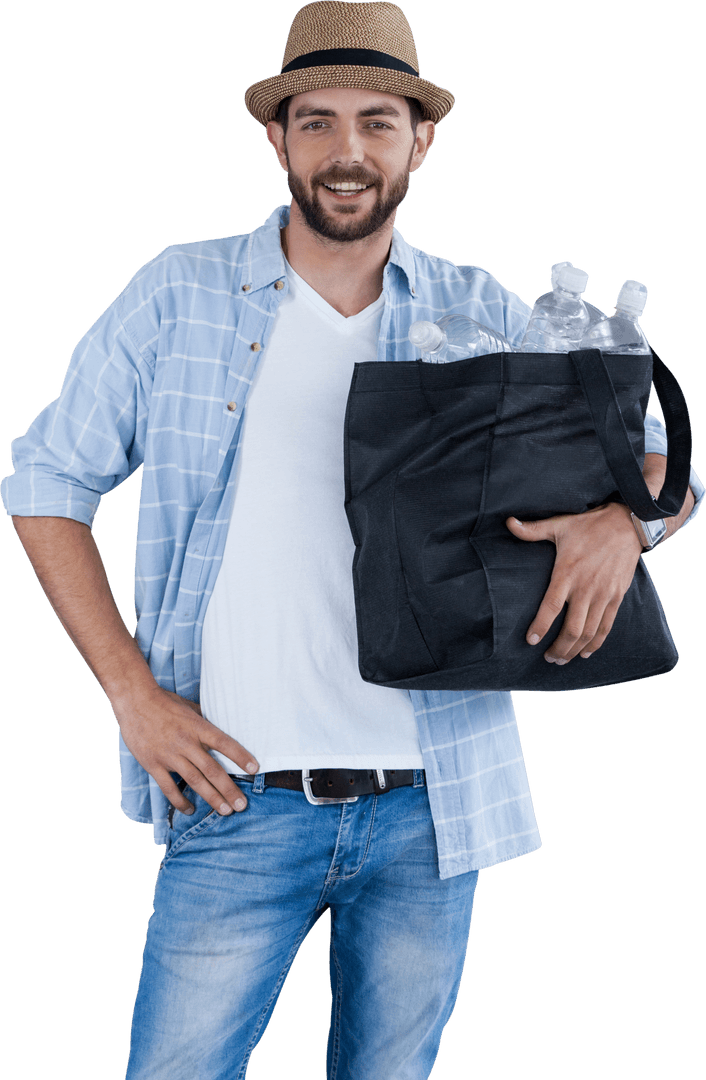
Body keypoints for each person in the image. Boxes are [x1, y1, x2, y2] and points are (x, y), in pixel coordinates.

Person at [1, 2, 702, 1078]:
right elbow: (46, 483)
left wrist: (627, 524)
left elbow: (665, 462)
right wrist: (132, 697)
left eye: (377, 122)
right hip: (234, 795)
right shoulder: (179, 293)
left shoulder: (480, 312)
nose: (346, 152)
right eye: (317, 121)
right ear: (276, 139)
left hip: (432, 805)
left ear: (420, 142)